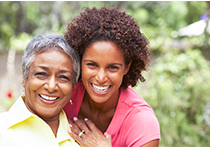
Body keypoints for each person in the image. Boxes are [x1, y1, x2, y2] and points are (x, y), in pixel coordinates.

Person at [63, 6, 160, 147]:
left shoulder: (141, 121)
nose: (101, 77)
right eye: (92, 65)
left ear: (127, 67)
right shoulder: (64, 96)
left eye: (112, 67)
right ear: (79, 61)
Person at [0, 33, 81, 147]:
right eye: (41, 74)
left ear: (73, 85)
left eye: (63, 77)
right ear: (24, 78)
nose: (51, 86)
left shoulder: (83, 138)